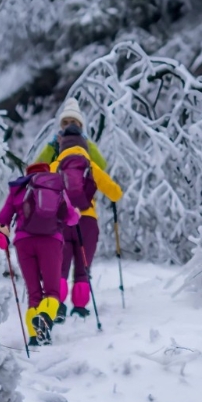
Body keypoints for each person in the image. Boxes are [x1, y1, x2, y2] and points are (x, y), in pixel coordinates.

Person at [0, 162, 80, 345]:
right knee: (52, 291)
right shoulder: (55, 186)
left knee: (34, 292)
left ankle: (35, 336)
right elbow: (71, 218)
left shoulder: (18, 189)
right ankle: (44, 317)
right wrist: (77, 215)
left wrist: (4, 235)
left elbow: (3, 219)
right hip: (50, 240)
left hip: (24, 242)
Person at [50, 119, 122, 322]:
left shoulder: (55, 166)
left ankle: (57, 306)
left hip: (62, 223)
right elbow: (115, 193)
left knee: (60, 267)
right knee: (83, 267)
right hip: (88, 222)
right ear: (83, 143)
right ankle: (80, 308)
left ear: (62, 143)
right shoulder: (90, 166)